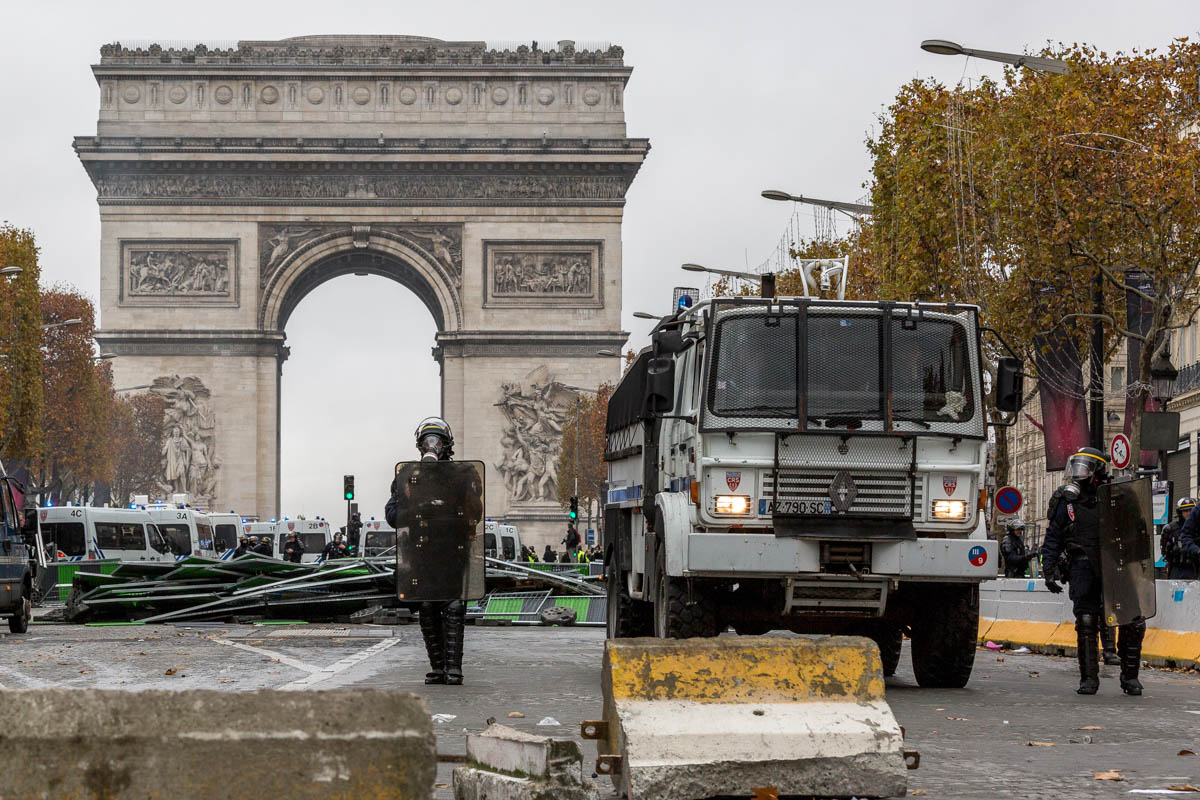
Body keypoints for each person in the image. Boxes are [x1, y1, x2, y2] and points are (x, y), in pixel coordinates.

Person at [1041, 447, 1146, 696]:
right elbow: (1053, 536)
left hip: (1116, 566)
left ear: (1097, 470)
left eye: (1084, 468)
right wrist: (1049, 567)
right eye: (1075, 467)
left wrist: (1136, 558)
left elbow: (1138, 530)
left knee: (1133, 621)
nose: (1078, 474)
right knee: (1087, 621)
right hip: (1082, 566)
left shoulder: (1119, 494)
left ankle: (1130, 677)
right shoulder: (1066, 500)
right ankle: (1089, 679)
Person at [385, 417, 480, 686]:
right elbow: (392, 515)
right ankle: (437, 667)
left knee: (453, 604)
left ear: (446, 445)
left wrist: (447, 510)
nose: (432, 446)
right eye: (428, 441)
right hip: (421, 550)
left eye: (436, 441)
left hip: (453, 548)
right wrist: (417, 510)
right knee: (426, 606)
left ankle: (454, 668)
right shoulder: (406, 477)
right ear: (420, 445)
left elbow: (476, 512)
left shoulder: (465, 475)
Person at [1162, 497, 1198, 580]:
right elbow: (1164, 552)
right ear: (1180, 512)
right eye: (1185, 511)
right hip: (1177, 569)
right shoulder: (1170, 528)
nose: (1189, 513)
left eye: (1191, 510)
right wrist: (1176, 550)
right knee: (1176, 592)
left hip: (1195, 568)